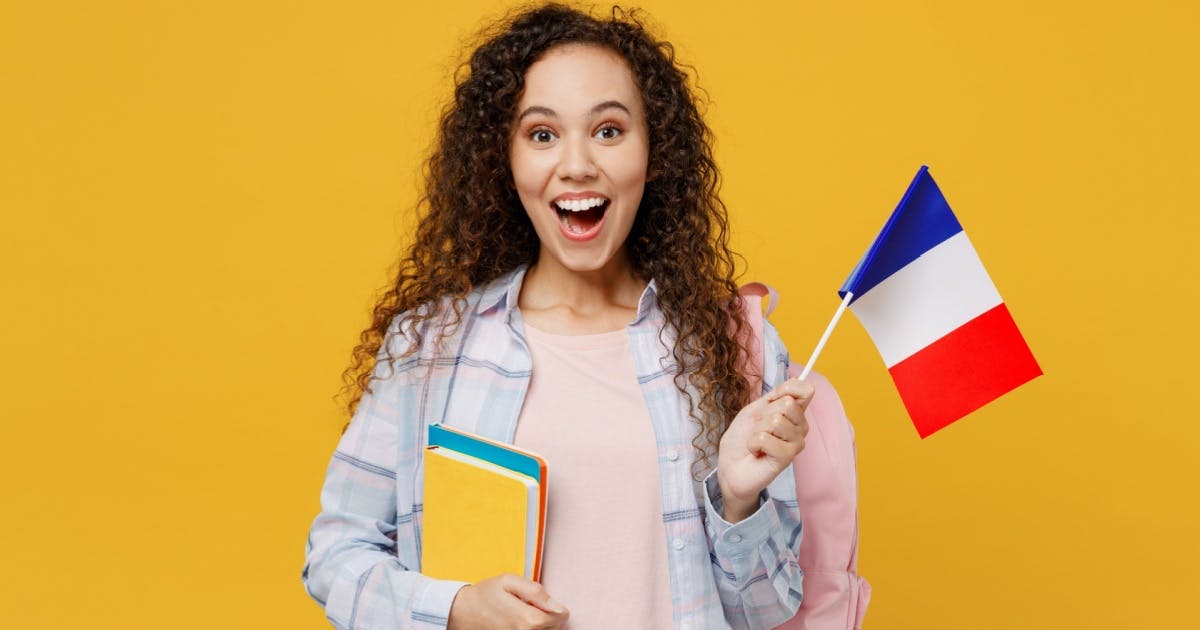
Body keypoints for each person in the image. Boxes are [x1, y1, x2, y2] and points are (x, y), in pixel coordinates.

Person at [303, 4, 814, 629]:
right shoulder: (431, 347)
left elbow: (771, 607)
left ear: (653, 156)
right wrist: (455, 607)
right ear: (506, 161)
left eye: (608, 131)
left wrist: (737, 500)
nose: (576, 164)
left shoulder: (728, 347)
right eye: (542, 134)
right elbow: (335, 555)